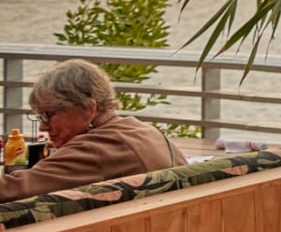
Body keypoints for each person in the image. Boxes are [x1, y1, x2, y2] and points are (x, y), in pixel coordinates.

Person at [0, 59, 181, 201]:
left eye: (48, 114)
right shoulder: (147, 132)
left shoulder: (96, 148)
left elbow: (14, 189)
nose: (43, 126)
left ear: (87, 108)